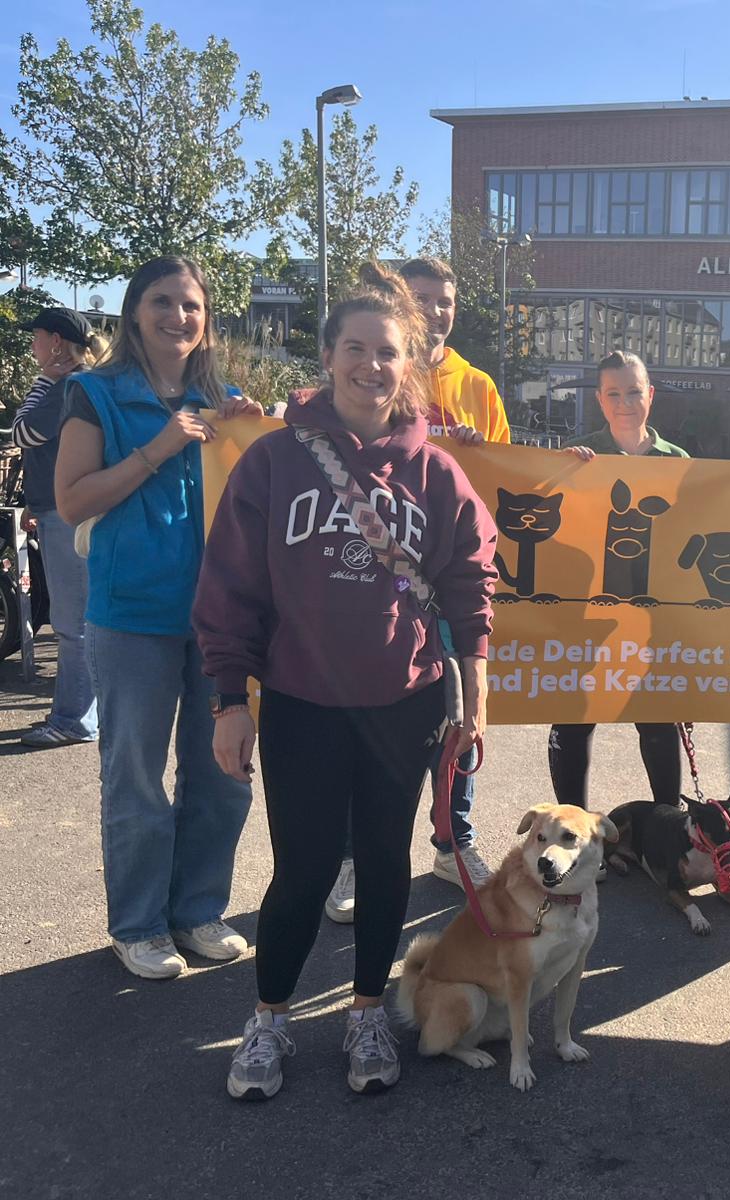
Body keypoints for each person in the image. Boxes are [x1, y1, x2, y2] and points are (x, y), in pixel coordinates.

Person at [194, 263, 497, 1101]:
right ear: (327, 356)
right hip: (302, 701)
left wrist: (474, 693)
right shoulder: (274, 461)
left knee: (386, 862)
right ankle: (269, 1017)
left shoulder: (434, 472)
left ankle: (367, 1012)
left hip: (404, 703)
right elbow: (231, 588)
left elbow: (471, 582)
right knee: (303, 868)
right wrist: (230, 700)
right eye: (355, 348)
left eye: (387, 351)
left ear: (410, 364)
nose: (371, 365)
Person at [54, 256, 260, 981]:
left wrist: (251, 429)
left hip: (219, 619)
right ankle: (138, 925)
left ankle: (198, 910)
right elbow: (73, 501)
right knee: (136, 776)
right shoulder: (95, 393)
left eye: (191, 305)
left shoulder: (224, 400)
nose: (179, 316)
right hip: (133, 615)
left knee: (223, 773)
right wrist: (159, 447)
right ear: (135, 311)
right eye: (163, 302)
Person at [321, 256, 512, 925]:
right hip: (372, 577)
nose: (436, 310)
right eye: (423, 297)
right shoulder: (377, 368)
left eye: (446, 300)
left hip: (447, 576)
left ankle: (452, 842)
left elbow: (506, 474)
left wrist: (481, 451)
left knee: (458, 716)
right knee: (365, 723)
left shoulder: (477, 384)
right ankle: (352, 858)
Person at [554, 350, 686, 821]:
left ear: (650, 394)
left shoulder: (678, 460)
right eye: (614, 393)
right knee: (574, 719)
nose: (625, 402)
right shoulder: (578, 454)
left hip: (650, 618)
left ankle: (668, 829)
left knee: (657, 721)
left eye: (634, 392)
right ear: (599, 399)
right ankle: (572, 832)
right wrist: (560, 473)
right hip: (588, 614)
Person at [14, 307, 108, 748]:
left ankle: (75, 720)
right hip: (63, 509)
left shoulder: (69, 385)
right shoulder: (75, 383)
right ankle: (79, 714)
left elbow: (23, 432)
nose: (31, 345)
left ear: (54, 342)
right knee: (78, 619)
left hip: (66, 513)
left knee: (73, 622)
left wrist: (45, 380)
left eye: (36, 337)